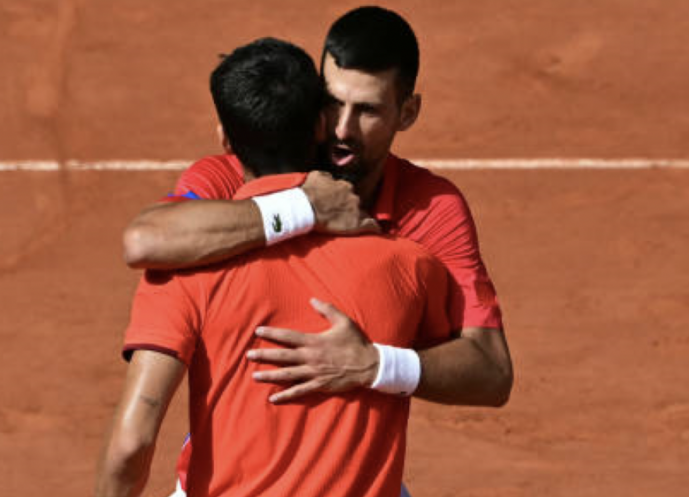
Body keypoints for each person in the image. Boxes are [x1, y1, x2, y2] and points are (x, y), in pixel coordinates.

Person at [96, 37, 451, 497]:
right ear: (322, 125)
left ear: (225, 138)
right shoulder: (410, 265)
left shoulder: (182, 270)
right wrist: (380, 364)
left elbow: (130, 445)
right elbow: (481, 371)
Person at [123, 6, 513, 406]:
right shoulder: (235, 174)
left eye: (368, 110)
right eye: (332, 102)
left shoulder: (431, 209)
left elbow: (492, 372)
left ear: (407, 113)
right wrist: (304, 207)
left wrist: (376, 365)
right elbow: (146, 241)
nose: (342, 129)